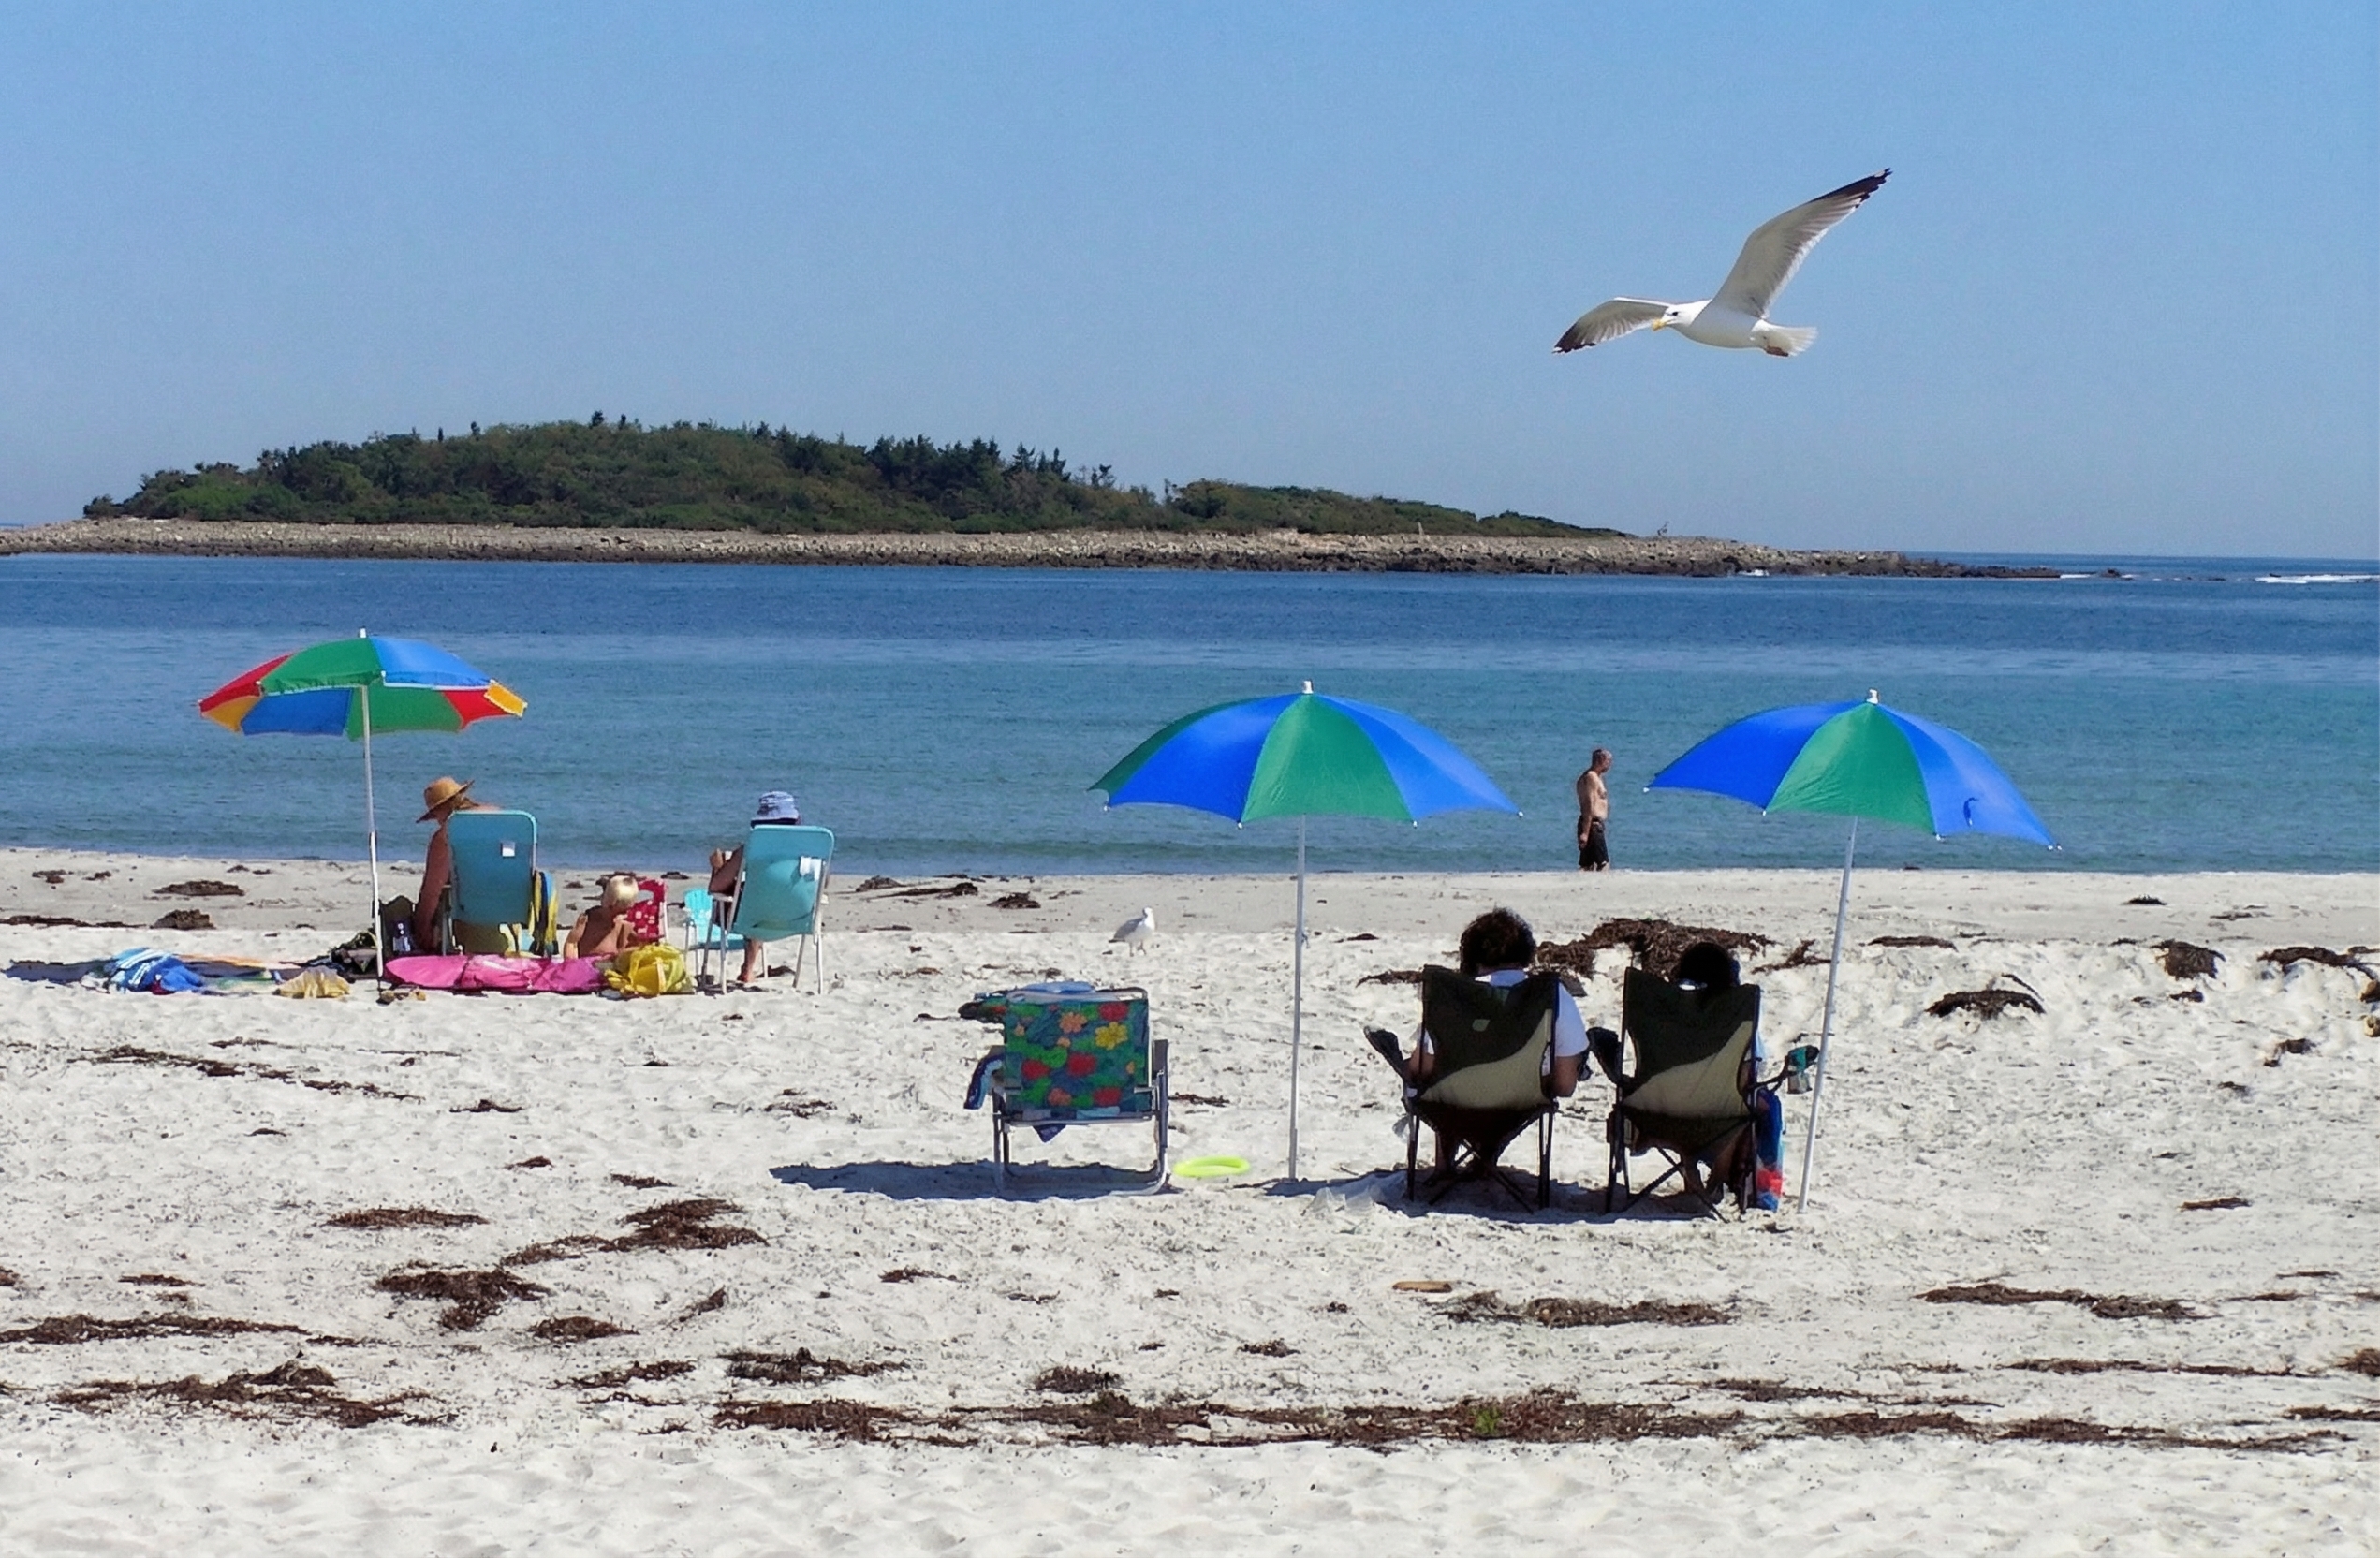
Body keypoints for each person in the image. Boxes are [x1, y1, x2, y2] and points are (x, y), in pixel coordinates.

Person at [707, 789, 804, 987]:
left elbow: (715, 887)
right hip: (798, 917)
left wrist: (717, 868)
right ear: (795, 821)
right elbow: (824, 883)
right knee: (759, 895)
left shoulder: (751, 848)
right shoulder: (811, 847)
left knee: (748, 896)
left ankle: (748, 970)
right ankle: (747, 969)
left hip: (756, 917)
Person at [412, 776, 494, 952]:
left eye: (435, 813)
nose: (436, 819)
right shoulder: (502, 817)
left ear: (444, 807)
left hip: (472, 918)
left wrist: (420, 929)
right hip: (514, 909)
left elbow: (431, 892)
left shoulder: (445, 835)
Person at [565, 873, 650, 960]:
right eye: (615, 910)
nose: (621, 916)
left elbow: (630, 952)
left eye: (625, 911)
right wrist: (571, 965)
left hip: (610, 968)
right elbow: (571, 942)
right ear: (606, 902)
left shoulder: (625, 925)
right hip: (584, 967)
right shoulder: (587, 919)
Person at [1575, 748, 1612, 871]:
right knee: (1603, 863)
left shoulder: (1592, 777)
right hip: (1592, 825)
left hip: (1591, 823)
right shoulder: (1591, 777)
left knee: (1587, 866)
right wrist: (1585, 832)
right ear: (1601, 760)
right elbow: (1588, 804)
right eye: (1608, 761)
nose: (1610, 765)